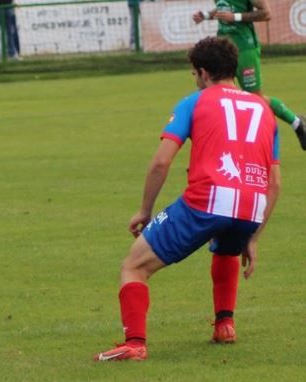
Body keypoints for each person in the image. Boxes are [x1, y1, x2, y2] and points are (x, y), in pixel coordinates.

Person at [94, 36, 280, 361]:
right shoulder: (264, 109)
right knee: (227, 247)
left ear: (204, 73)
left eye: (194, 74)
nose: (195, 81)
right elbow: (274, 183)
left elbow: (161, 162)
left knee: (133, 267)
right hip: (251, 205)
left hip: (208, 200)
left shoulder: (194, 102)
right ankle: (225, 324)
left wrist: (144, 210)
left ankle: (135, 343)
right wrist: (254, 235)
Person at [193, 0, 306, 150]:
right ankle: (211, 144)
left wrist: (236, 17)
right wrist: (206, 15)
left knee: (255, 98)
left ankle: (296, 123)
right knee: (209, 90)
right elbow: (224, 7)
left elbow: (266, 13)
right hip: (222, 48)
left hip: (245, 48)